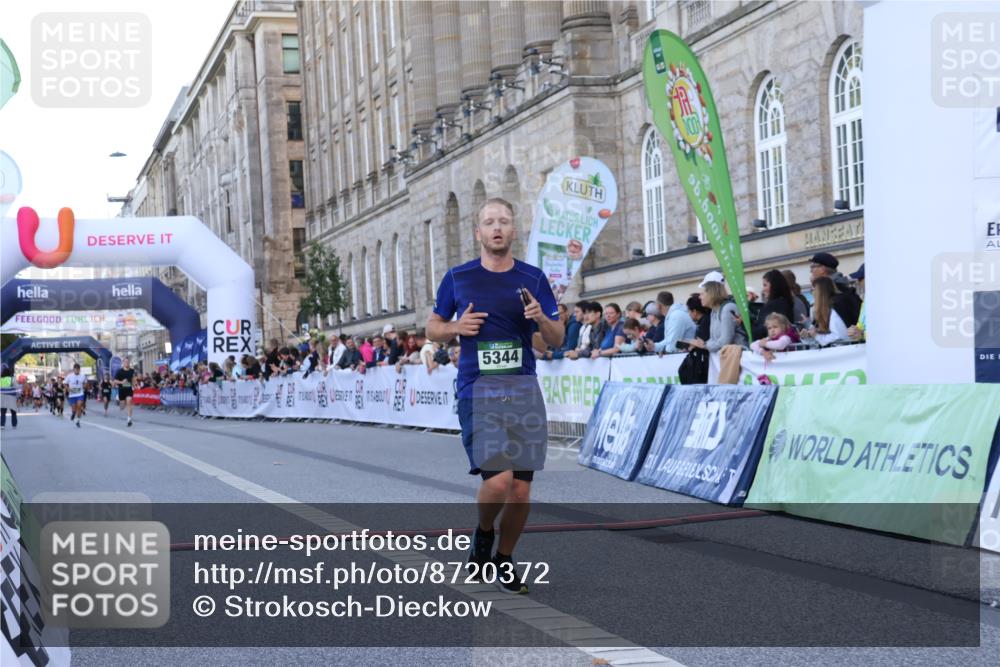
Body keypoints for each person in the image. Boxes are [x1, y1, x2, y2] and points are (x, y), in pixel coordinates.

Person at [426, 197, 562, 595]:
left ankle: (503, 558)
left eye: (504, 221)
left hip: (521, 388)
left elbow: (556, 339)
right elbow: (432, 327)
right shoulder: (458, 277)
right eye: (489, 222)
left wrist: (540, 318)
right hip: (478, 388)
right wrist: (455, 326)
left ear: (513, 231)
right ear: (479, 233)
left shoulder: (533, 279)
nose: (497, 227)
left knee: (521, 489)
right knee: (499, 482)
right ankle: (484, 532)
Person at [685, 281, 747, 383]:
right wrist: (701, 344)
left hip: (738, 360)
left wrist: (704, 345)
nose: (700, 297)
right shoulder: (714, 311)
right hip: (727, 359)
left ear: (711, 294)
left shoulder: (727, 309)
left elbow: (724, 341)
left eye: (702, 294)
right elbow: (714, 339)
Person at [809, 252, 862, 326]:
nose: (811, 271)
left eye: (813, 267)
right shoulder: (842, 288)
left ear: (822, 269)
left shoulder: (831, 290)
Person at [749, 270, 796, 341]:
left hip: (773, 347)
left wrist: (746, 324)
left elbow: (765, 329)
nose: (763, 289)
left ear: (774, 285)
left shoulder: (778, 304)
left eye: (765, 285)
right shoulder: (783, 302)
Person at [808, 276, 851, 346]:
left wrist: (817, 336)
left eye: (813, 289)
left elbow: (839, 336)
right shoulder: (823, 310)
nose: (811, 292)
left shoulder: (834, 308)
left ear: (820, 292)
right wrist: (807, 335)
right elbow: (813, 329)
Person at [114, 357, 137, 427]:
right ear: (123, 363)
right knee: (122, 407)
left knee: (129, 402)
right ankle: (119, 401)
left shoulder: (132, 371)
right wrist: (121, 382)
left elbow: (133, 379)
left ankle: (129, 419)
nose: (127, 363)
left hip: (129, 389)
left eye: (128, 362)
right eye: (125, 362)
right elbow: (115, 381)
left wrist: (134, 385)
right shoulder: (119, 371)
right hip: (121, 390)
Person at [847, 264, 866, 341]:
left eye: (861, 278)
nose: (858, 282)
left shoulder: (885, 301)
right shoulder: (865, 301)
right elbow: (860, 327)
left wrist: (862, 334)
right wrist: (854, 331)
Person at [65, 363, 87, 428]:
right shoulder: (69, 376)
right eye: (75, 369)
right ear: (73, 370)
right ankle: (73, 413)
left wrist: (84, 386)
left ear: (79, 370)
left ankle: (78, 421)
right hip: (72, 395)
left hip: (80, 393)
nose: (77, 370)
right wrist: (68, 389)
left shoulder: (83, 376)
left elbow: (86, 383)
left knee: (79, 406)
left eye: (78, 369)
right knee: (74, 409)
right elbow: (65, 383)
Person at [0, 365, 18, 430]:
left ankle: (2, 425)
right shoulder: (12, 379)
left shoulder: (0, 380)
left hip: (2, 398)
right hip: (11, 398)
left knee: (3, 413)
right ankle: (14, 425)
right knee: (13, 412)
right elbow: (16, 388)